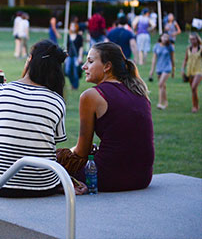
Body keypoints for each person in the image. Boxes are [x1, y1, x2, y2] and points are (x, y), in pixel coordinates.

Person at [58, 42, 154, 192]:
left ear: (107, 66)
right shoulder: (139, 92)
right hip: (142, 178)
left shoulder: (91, 96)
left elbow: (82, 151)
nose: (84, 66)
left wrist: (61, 155)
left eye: (90, 61)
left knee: (53, 161)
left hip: (108, 177)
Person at [0, 40, 67, 198]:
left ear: (30, 60)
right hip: (43, 185)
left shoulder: (4, 91)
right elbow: (54, 140)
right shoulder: (56, 101)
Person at [149, 33, 175, 110]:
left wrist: (173, 70)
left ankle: (160, 103)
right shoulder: (156, 46)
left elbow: (172, 59)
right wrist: (152, 71)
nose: (165, 39)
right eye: (164, 37)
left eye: (167, 37)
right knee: (163, 86)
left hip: (167, 68)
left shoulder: (170, 47)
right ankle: (166, 102)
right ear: (161, 37)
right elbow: (154, 59)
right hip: (159, 68)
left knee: (160, 84)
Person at [181, 33, 202, 113]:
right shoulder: (188, 48)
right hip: (190, 71)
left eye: (194, 39)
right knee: (193, 90)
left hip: (199, 71)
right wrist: (182, 69)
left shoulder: (201, 48)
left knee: (193, 87)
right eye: (191, 39)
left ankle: (195, 107)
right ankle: (196, 105)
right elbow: (185, 59)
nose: (192, 41)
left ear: (197, 39)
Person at [65, 16, 84, 90]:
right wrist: (66, 56)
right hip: (69, 56)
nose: (72, 27)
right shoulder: (68, 36)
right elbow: (67, 47)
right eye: (71, 26)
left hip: (76, 56)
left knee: (75, 72)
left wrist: (80, 57)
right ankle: (72, 83)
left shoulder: (79, 37)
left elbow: (81, 47)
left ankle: (75, 86)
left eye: (73, 26)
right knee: (67, 71)